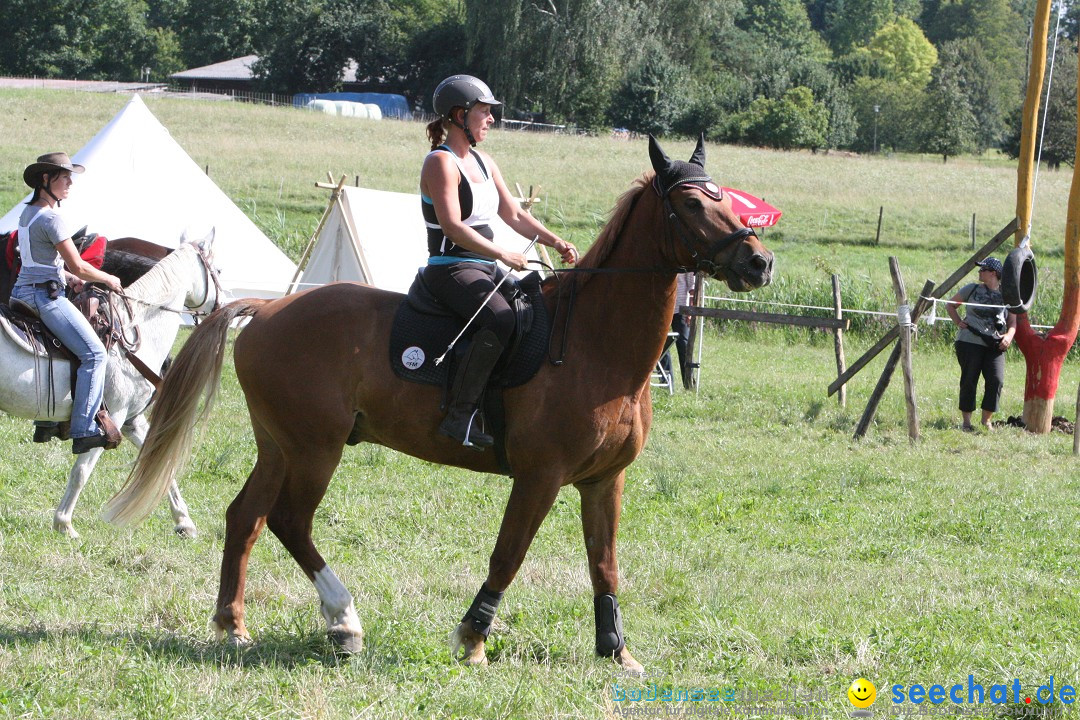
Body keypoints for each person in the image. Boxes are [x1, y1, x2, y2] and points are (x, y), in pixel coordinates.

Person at [421, 75, 578, 449]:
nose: (491, 119)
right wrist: (502, 253)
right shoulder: (440, 164)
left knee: (535, 308)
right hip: (451, 268)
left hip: (485, 267)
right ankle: (459, 415)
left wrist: (555, 241)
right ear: (460, 115)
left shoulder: (484, 161)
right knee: (500, 317)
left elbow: (514, 215)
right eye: (485, 112)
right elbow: (454, 228)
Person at [11, 152, 124, 454]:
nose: (70, 183)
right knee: (95, 355)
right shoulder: (52, 218)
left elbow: (37, 259)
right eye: (64, 177)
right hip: (43, 297)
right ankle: (84, 428)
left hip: (22, 291)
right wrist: (107, 278)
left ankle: (47, 421)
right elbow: (79, 266)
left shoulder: (27, 214)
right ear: (45, 180)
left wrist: (62, 274)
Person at [946, 257, 1016, 431]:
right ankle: (967, 422)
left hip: (995, 344)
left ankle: (986, 421)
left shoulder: (1008, 294)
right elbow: (950, 305)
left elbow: (1013, 323)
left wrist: (1008, 336)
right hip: (969, 341)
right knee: (969, 379)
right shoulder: (972, 289)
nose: (979, 272)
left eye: (982, 269)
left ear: (993, 273)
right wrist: (958, 322)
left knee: (996, 380)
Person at [660, 271, 695, 386]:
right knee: (661, 345)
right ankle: (666, 381)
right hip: (662, 308)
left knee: (684, 345)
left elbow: (692, 286)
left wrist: (690, 310)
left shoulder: (685, 260)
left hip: (680, 309)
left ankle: (688, 382)